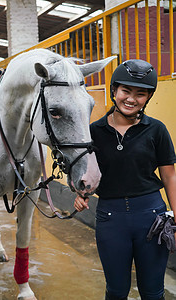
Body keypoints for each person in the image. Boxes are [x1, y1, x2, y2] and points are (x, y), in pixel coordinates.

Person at [74, 59, 176, 300]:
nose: (131, 99)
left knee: (153, 292)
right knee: (117, 291)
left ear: (148, 97)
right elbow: (86, 173)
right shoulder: (93, 132)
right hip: (111, 218)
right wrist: (80, 194)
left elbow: (170, 175)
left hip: (151, 217)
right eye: (126, 91)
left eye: (140, 94)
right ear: (114, 91)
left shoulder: (157, 130)